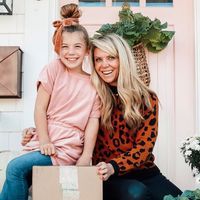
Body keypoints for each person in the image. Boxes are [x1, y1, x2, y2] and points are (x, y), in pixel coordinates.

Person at [0, 4, 100, 200]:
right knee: (24, 178)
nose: (70, 52)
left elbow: (92, 121)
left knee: (14, 168)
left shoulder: (94, 83)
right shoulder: (53, 69)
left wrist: (86, 155)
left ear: (87, 50)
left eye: (77, 46)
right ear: (57, 48)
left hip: (68, 146)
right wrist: (44, 139)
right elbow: (40, 107)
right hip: (46, 141)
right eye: (65, 47)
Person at [89, 33, 182, 200]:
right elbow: (68, 122)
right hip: (108, 176)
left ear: (122, 60)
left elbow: (144, 148)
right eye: (98, 59)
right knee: (136, 193)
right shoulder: (92, 95)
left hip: (144, 172)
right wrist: (38, 133)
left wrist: (115, 166)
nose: (104, 65)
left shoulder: (146, 98)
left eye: (111, 57)